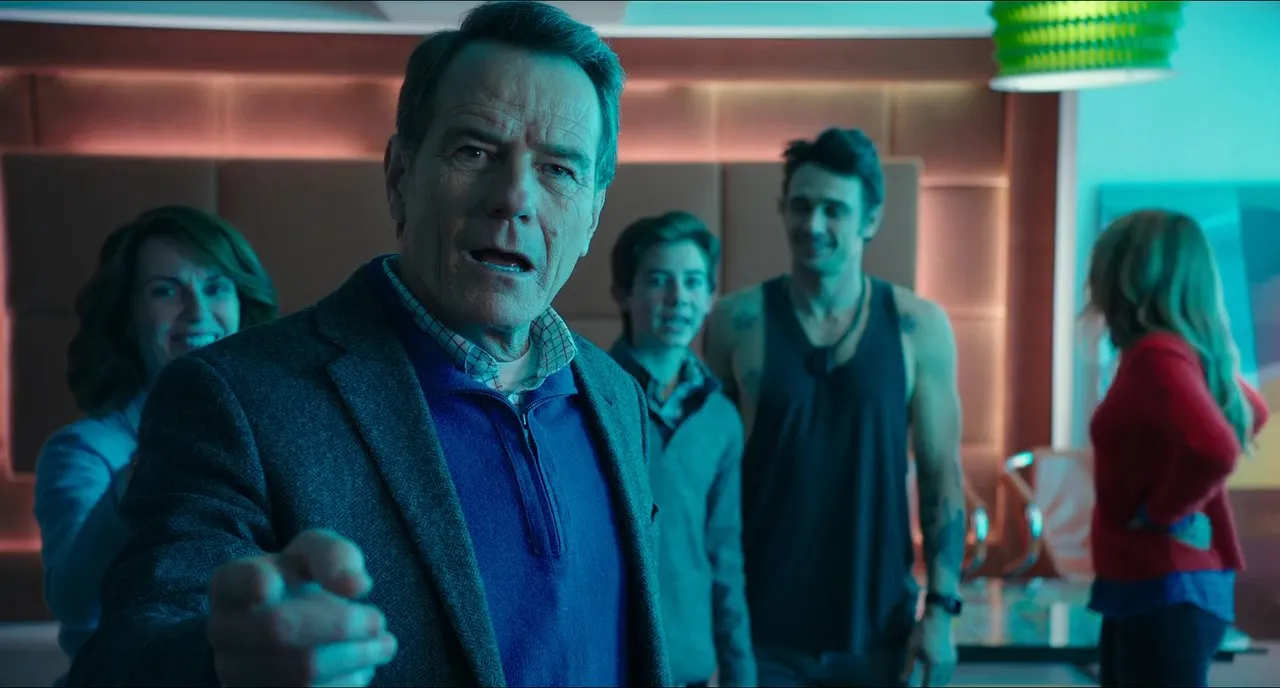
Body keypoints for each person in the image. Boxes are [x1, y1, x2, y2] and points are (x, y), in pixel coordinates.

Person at [66, 2, 669, 687]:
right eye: (474, 151)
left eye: (559, 169)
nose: (514, 198)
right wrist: (220, 664)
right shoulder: (238, 399)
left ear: (592, 215)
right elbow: (130, 649)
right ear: (399, 177)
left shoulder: (617, 396)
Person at [703, 128, 966, 687]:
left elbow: (942, 476)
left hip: (879, 628)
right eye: (801, 206)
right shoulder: (735, 323)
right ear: (782, 209)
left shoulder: (919, 327)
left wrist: (942, 611)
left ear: (871, 220)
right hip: (760, 628)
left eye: (834, 210)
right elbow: (711, 478)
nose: (813, 225)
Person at [32, 206, 278, 683]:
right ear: (128, 317)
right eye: (166, 290)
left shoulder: (272, 438)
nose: (198, 312)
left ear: (243, 305)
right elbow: (73, 602)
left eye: (216, 287)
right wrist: (139, 478)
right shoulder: (83, 450)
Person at [1085, 209, 1270, 687]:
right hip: (1164, 584)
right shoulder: (1181, 352)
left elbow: (1216, 448)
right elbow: (1251, 412)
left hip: (1163, 583)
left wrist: (1162, 512)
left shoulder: (1157, 355)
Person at [608, 211, 756, 687]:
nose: (678, 298)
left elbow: (724, 553)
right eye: (658, 281)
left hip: (691, 663)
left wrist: (740, 673)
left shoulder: (721, 419)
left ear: (710, 297)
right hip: (608, 660)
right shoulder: (586, 398)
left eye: (693, 282)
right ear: (623, 293)